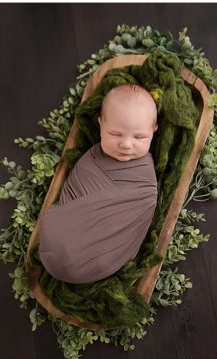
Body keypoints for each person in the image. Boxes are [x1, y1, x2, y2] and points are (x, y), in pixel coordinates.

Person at [39, 84, 158, 284]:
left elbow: (140, 209)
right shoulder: (92, 159)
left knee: (98, 255)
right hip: (58, 239)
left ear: (154, 130)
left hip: (101, 261)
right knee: (58, 233)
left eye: (140, 137)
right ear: (100, 124)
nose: (126, 144)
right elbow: (75, 189)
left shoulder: (144, 181)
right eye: (115, 134)